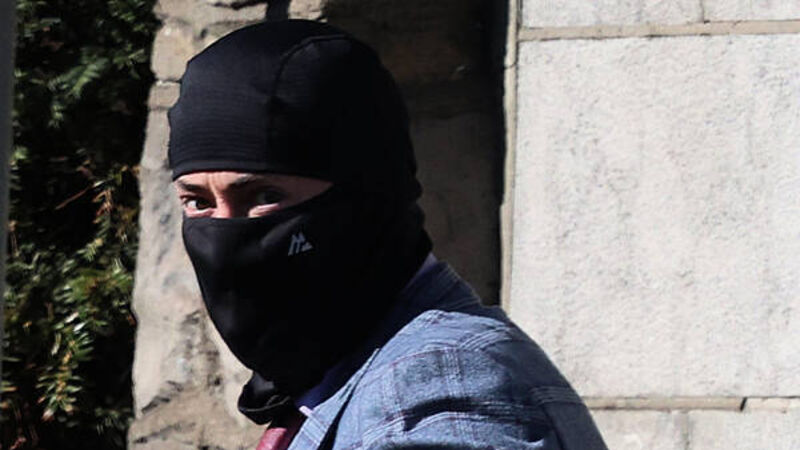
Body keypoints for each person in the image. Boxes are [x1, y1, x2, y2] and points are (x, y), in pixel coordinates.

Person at [168, 19, 608, 450]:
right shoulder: (345, 379)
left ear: (366, 195)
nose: (224, 237)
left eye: (265, 196)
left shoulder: (441, 385)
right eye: (198, 202)